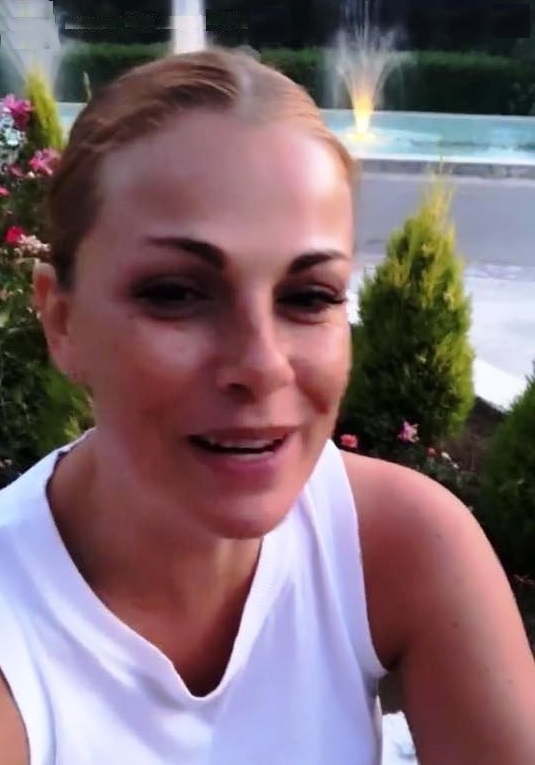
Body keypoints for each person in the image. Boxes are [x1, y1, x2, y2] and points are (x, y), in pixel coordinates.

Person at [0, 48, 533, 765]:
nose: (261, 365)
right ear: (62, 322)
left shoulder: (401, 543)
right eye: (175, 293)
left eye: (308, 297)